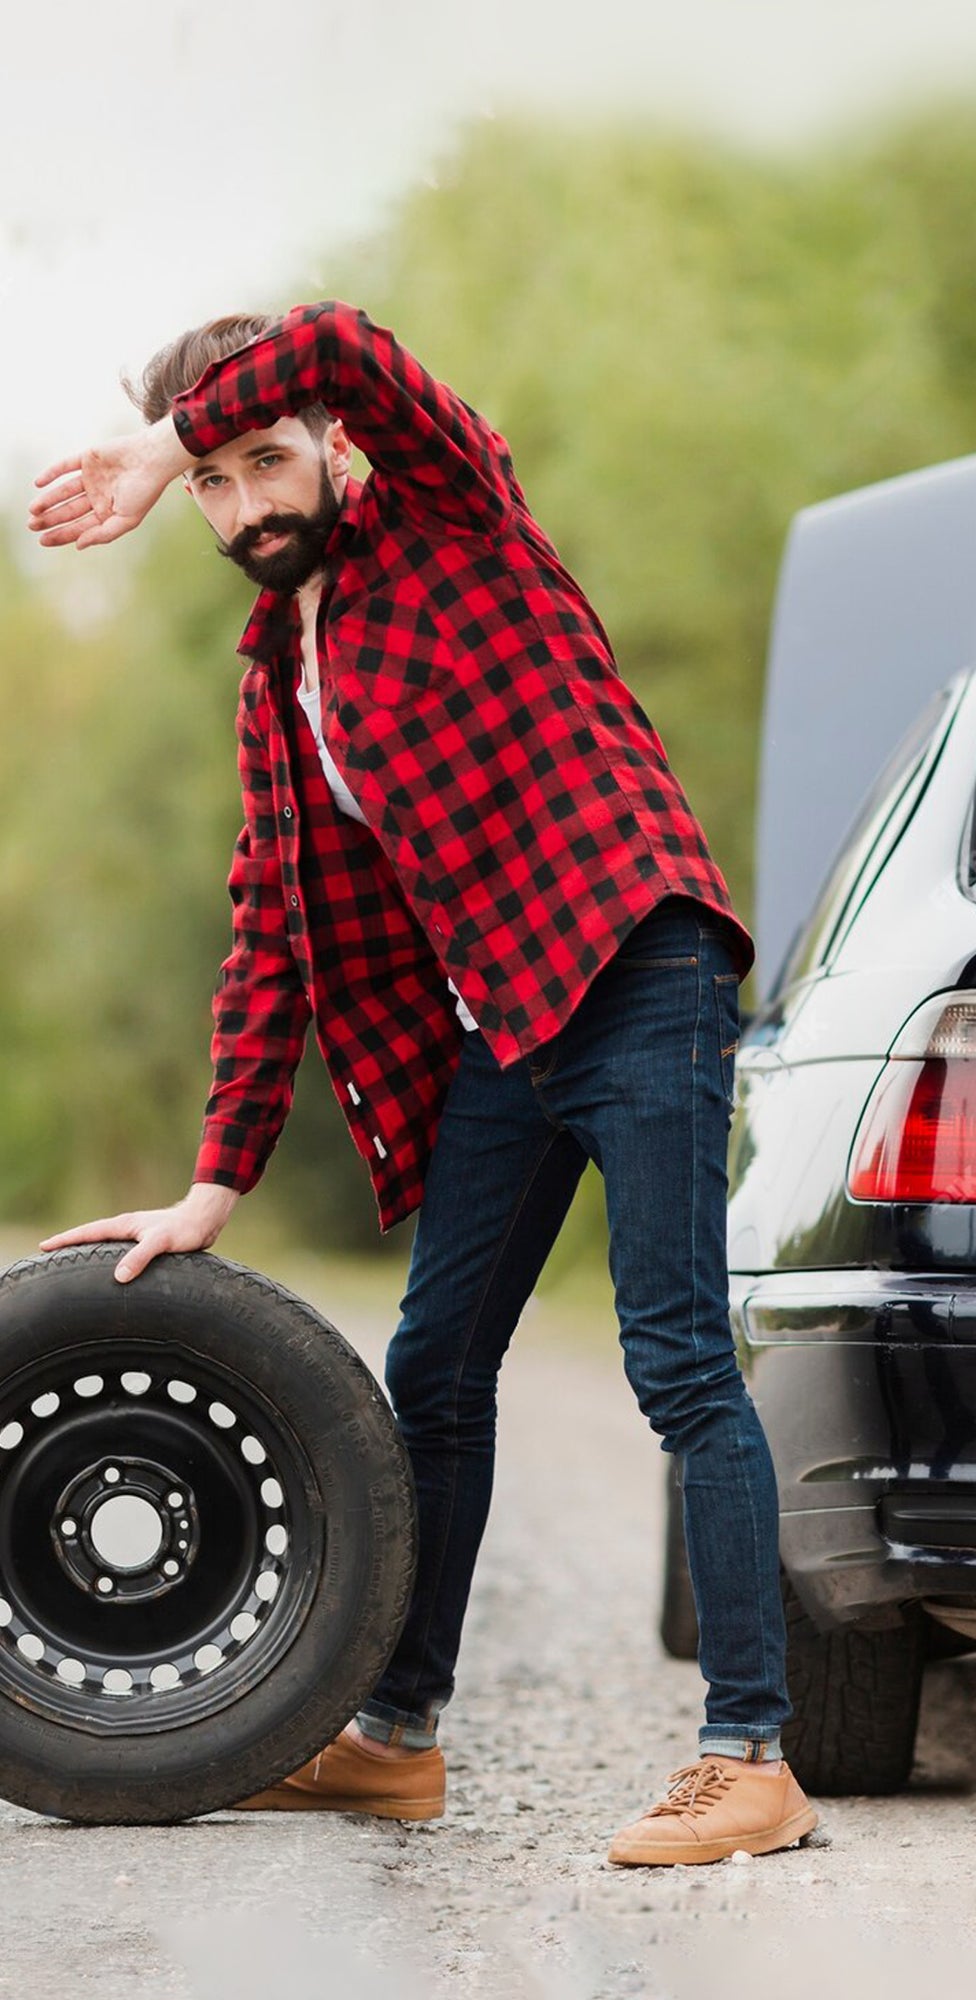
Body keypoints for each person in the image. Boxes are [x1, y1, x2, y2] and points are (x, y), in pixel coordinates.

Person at [25, 302, 815, 1866]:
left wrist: (156, 438)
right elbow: (275, 932)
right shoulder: (277, 679)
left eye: (266, 459)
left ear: (330, 443)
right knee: (433, 1370)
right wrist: (214, 1184)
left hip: (637, 967)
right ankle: (394, 1739)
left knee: (673, 1359)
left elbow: (337, 337)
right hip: (507, 1028)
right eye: (217, 484)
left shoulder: (458, 520)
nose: (249, 502)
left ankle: (752, 1760)